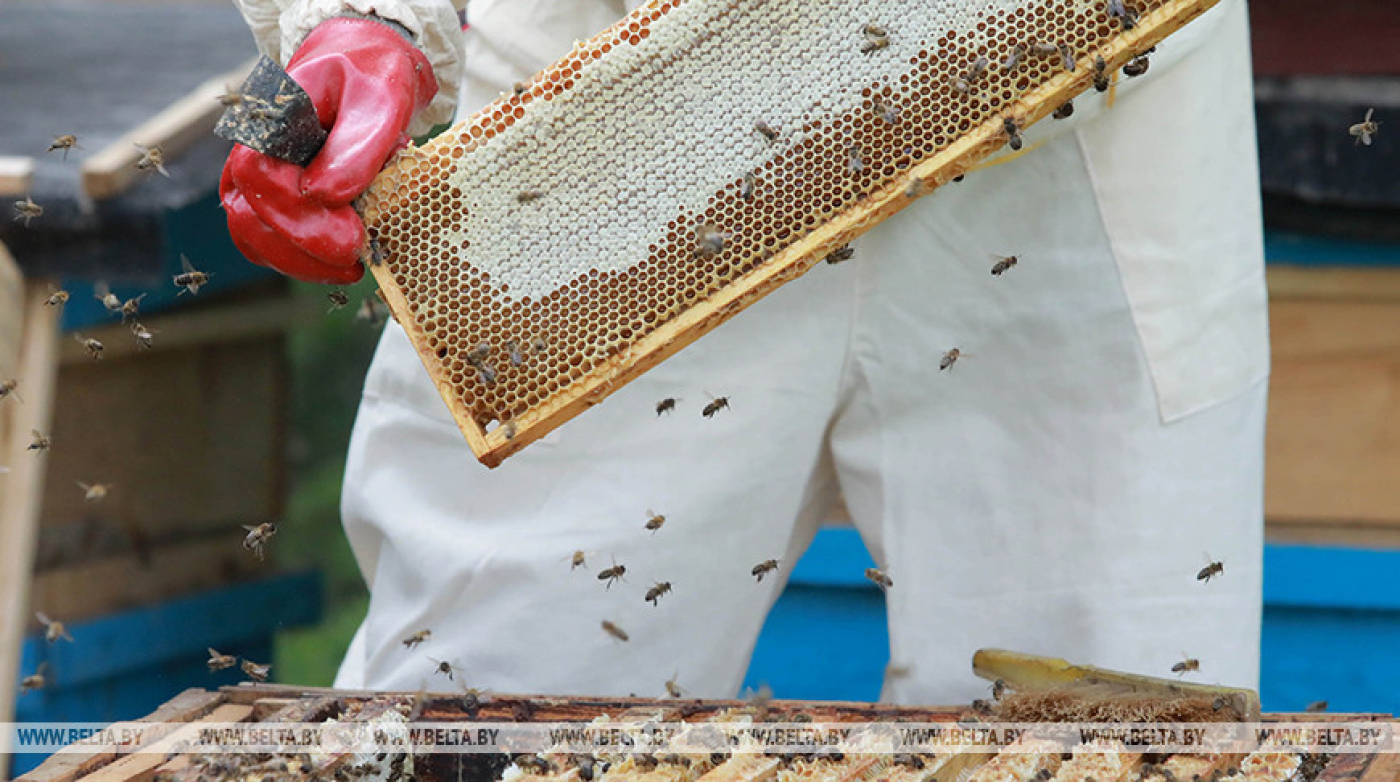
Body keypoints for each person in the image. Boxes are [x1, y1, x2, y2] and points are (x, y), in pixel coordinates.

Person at [224, 0, 1269, 703]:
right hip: (603, 142)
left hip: (1073, 127)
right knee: (484, 711)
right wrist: (359, 21)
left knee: (1107, 721)